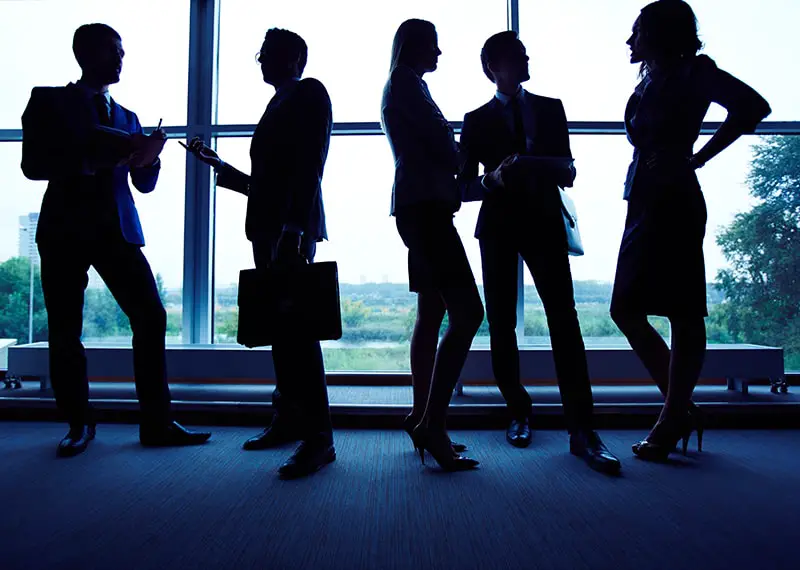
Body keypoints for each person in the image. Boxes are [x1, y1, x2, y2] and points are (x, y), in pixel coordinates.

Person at [20, 23, 211, 458]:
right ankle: (77, 423)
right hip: (65, 229)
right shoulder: (49, 100)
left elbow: (142, 184)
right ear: (85, 53)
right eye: (113, 51)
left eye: (122, 52)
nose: (121, 59)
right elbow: (32, 164)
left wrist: (150, 159)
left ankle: (157, 422)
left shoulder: (127, 117)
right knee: (65, 331)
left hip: (117, 231)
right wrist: (90, 159)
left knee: (151, 317)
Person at [611, 0, 771, 461]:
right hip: (643, 199)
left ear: (659, 35)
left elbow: (752, 107)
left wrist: (698, 157)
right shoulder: (652, 79)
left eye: (636, 31)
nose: (629, 40)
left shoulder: (693, 72)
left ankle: (673, 414)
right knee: (626, 308)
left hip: (676, 198)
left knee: (682, 311)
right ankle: (679, 408)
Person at [458, 31, 621, 474]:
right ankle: (518, 409)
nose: (528, 60)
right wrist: (495, 179)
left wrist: (540, 167)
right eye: (520, 56)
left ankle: (581, 428)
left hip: (545, 222)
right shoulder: (474, 120)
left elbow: (568, 170)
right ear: (494, 67)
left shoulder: (551, 108)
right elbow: (463, 186)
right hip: (498, 226)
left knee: (564, 321)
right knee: (502, 322)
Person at [185, 28, 334, 479]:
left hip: (287, 228)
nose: (263, 61)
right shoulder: (277, 103)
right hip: (269, 227)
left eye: (270, 54)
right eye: (261, 55)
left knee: (299, 332)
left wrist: (293, 228)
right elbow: (266, 182)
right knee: (281, 331)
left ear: (296, 58)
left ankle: (318, 438)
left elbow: (311, 164)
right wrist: (222, 168)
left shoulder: (309, 94)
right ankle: (289, 420)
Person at [381, 19, 484, 471]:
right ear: (416, 47)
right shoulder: (407, 86)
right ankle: (433, 424)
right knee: (469, 314)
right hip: (426, 210)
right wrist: (467, 150)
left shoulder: (404, 85)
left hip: (417, 206)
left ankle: (421, 414)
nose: (440, 54)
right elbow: (441, 147)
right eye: (434, 47)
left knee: (432, 313)